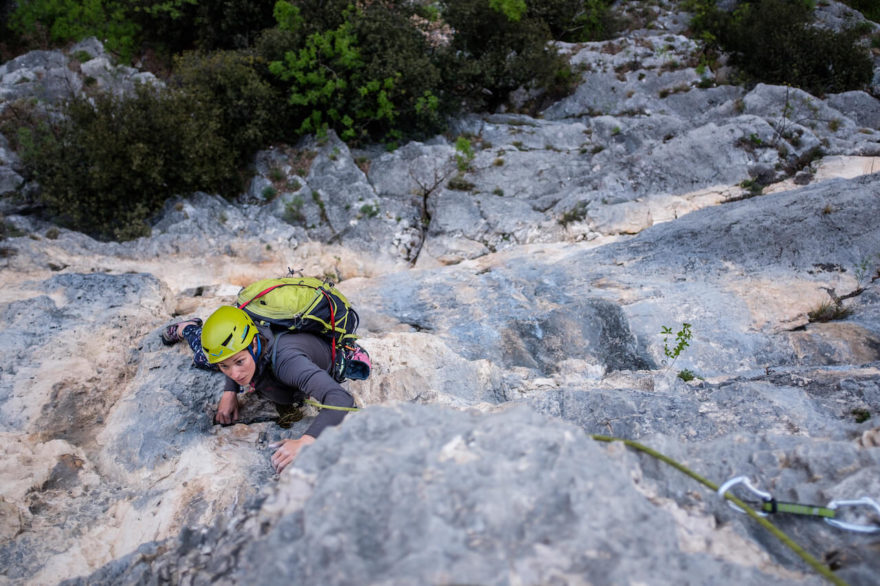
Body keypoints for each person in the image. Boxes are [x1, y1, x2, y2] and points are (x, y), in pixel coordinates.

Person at [162, 305, 356, 473]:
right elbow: (231, 360)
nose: (235, 374)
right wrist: (230, 391)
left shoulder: (288, 363)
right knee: (203, 358)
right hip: (257, 354)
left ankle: (189, 330)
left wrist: (307, 441)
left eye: (239, 362)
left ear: (254, 344)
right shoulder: (244, 349)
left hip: (299, 352)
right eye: (225, 367)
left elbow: (340, 398)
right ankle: (187, 328)